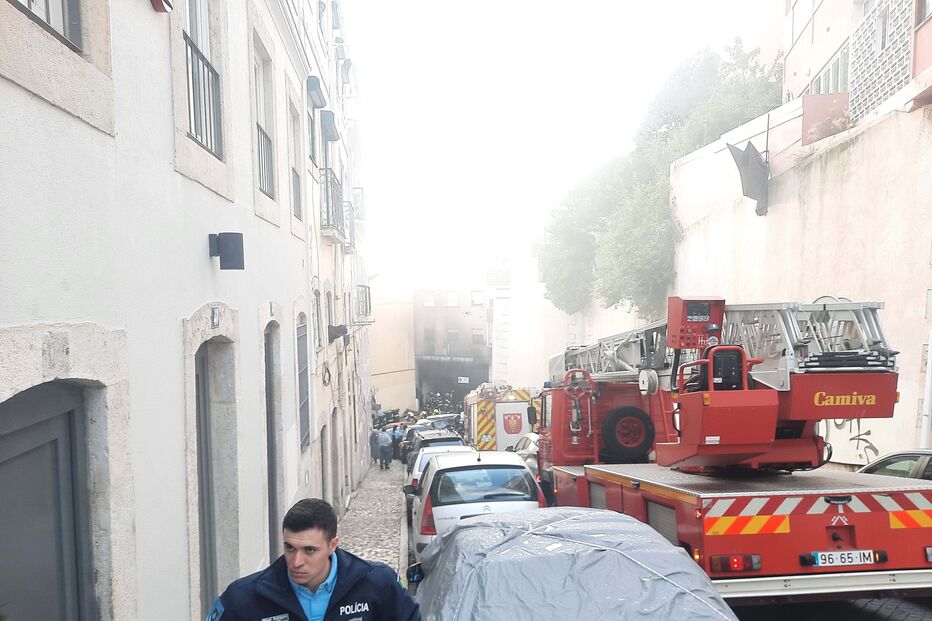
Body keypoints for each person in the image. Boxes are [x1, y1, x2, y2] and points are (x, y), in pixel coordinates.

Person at [206, 498, 420, 621]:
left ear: (332, 545)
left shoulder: (378, 584)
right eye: (290, 547)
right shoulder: (242, 598)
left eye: (309, 550)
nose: (296, 561)